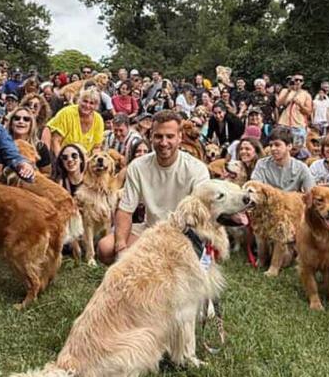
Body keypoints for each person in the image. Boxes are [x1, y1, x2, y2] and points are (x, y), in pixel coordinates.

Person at [98, 110, 210, 263]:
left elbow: (202, 217)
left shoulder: (197, 169)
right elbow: (125, 210)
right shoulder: (138, 166)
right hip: (150, 229)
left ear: (180, 138)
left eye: (170, 136)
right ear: (151, 137)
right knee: (106, 248)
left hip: (183, 234)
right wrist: (121, 248)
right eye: (158, 136)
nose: (163, 142)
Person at [250, 126, 313, 193]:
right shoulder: (262, 164)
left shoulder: (301, 168)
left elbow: (310, 191)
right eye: (271, 145)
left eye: (277, 145)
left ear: (289, 146)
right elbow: (255, 189)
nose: (273, 148)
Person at [46, 87, 105, 155]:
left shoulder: (98, 119)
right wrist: (60, 161)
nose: (87, 105)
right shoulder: (66, 113)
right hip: (62, 155)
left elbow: (96, 147)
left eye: (91, 103)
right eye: (85, 101)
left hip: (84, 159)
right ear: (79, 101)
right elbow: (55, 141)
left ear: (96, 106)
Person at [6, 105, 52, 173]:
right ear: (11, 123)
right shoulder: (2, 145)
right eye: (17, 118)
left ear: (31, 124)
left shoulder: (40, 147)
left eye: (26, 119)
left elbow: (47, 174)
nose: (21, 121)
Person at [275, 73, 312, 147]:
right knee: (281, 146)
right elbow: (278, 104)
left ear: (303, 83)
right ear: (292, 80)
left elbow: (308, 112)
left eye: (300, 80)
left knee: (298, 148)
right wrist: (288, 91)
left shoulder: (306, 94)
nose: (298, 82)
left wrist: (300, 105)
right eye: (296, 80)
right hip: (284, 123)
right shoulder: (285, 91)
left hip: (298, 125)